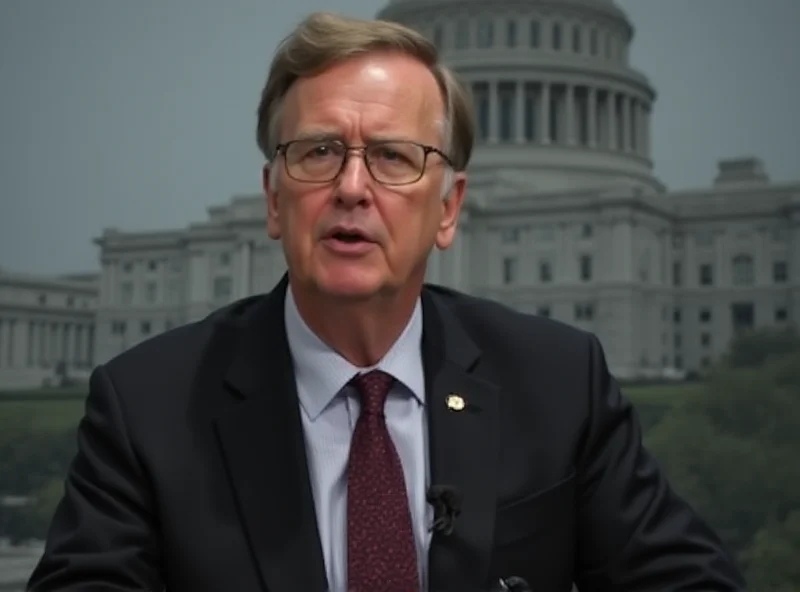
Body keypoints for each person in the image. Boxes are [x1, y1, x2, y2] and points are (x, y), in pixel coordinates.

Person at [28, 11, 746, 592]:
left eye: (394, 157)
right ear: (273, 200)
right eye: (317, 152)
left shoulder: (558, 383)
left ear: (448, 209)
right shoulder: (147, 407)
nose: (351, 187)